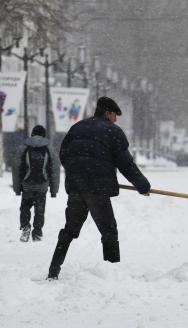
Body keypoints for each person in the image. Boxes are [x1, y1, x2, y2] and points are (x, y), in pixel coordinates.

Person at [47, 97, 151, 280]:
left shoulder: (77, 128)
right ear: (107, 112)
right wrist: (142, 185)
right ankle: (111, 274)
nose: (115, 119)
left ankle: (53, 270)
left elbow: (64, 154)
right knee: (109, 231)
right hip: (97, 189)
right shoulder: (113, 132)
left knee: (69, 230)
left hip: (76, 186)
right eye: (114, 115)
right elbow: (125, 163)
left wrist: (78, 172)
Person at [12, 125, 60, 242]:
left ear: (32, 134)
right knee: (40, 209)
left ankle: (25, 227)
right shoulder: (49, 148)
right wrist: (54, 190)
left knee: (25, 207)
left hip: (27, 184)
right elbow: (55, 169)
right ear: (44, 135)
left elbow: (16, 167)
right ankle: (37, 232)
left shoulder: (24, 146)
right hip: (42, 185)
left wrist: (17, 188)